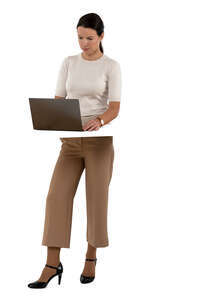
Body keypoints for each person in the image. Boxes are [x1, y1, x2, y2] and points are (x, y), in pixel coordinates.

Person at [28, 12, 121, 288]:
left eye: (90, 38)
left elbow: (114, 107)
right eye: (80, 37)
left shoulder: (111, 66)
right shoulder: (68, 63)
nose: (84, 43)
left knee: (96, 200)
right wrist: (54, 118)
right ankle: (51, 264)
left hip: (99, 143)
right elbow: (59, 99)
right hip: (70, 141)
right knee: (56, 197)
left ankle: (90, 257)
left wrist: (100, 120)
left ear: (101, 36)